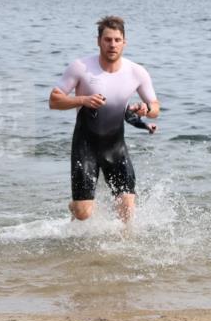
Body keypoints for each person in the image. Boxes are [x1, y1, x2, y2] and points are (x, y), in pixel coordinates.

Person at [49, 16, 160, 223]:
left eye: (117, 40)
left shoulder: (136, 72)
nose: (112, 45)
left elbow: (155, 107)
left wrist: (146, 109)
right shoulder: (81, 67)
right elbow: (54, 101)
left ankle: (125, 250)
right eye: (108, 39)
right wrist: (83, 100)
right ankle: (75, 205)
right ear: (98, 41)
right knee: (83, 213)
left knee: (127, 208)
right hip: (85, 146)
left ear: (124, 42)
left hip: (115, 148)